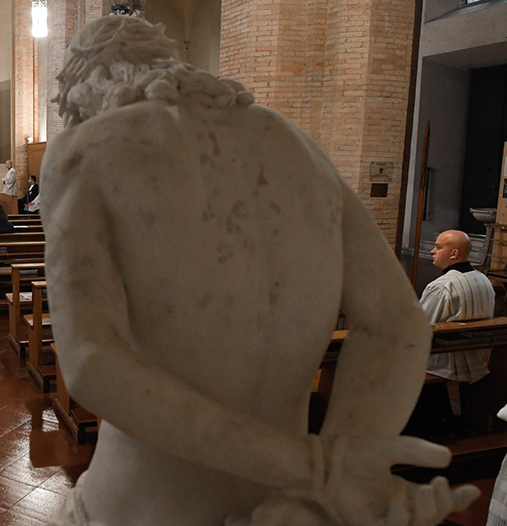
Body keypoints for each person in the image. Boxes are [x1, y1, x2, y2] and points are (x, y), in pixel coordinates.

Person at [41, 16, 474, 526]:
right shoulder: (296, 146)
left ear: (84, 87)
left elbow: (91, 360)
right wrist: (344, 467)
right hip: (283, 509)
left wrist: (318, 469)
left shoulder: (85, 151)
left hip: (141, 506)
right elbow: (397, 322)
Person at [421, 230, 495, 383]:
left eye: (438, 247)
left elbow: (421, 327)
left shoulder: (441, 286)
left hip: (442, 361)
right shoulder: (485, 280)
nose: (432, 251)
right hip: (473, 357)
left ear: (453, 253)